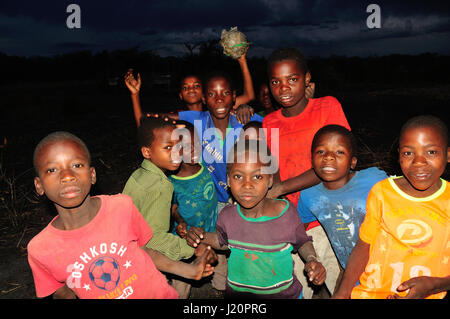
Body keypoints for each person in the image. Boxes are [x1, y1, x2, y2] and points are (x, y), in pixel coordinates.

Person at [27, 131, 214, 299]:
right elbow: (62, 293)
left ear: (92, 175)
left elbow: (144, 250)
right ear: (39, 185)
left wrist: (190, 271)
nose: (67, 176)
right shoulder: (41, 249)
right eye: (52, 169)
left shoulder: (121, 206)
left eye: (77, 164)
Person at [186, 139, 326, 298]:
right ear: (229, 180)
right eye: (238, 176)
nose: (247, 185)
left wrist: (311, 259)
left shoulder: (284, 213)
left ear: (270, 180)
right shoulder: (227, 215)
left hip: (283, 295)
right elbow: (224, 242)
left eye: (257, 177)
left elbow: (302, 241)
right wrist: (200, 236)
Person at [262, 47, 350, 298]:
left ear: (307, 79)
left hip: (331, 217)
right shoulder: (270, 122)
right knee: (299, 286)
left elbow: (332, 167)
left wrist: (281, 188)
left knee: (339, 284)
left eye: (292, 79)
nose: (284, 88)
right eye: (276, 81)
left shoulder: (327, 107)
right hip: (295, 221)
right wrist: (281, 207)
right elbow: (274, 170)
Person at [333, 115, 450, 299]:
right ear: (398, 155)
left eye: (431, 152)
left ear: (448, 155)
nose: (419, 162)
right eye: (408, 153)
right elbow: (364, 245)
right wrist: (342, 292)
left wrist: (435, 285)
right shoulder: (382, 192)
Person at [122, 117, 216, 298]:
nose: (177, 153)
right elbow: (152, 239)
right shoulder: (161, 186)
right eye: (168, 147)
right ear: (147, 152)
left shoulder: (139, 176)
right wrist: (193, 249)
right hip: (144, 259)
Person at [297, 125, 388, 290]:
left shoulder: (374, 180)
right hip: (354, 277)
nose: (329, 157)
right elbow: (298, 233)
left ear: (353, 162)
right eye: (321, 152)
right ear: (311, 159)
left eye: (339, 152)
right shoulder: (308, 195)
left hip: (390, 268)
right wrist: (312, 261)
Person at [124, 53, 256, 127]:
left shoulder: (217, 107)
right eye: (185, 87)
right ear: (180, 95)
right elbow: (143, 124)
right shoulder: (179, 117)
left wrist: (242, 61)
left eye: (196, 86)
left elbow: (249, 95)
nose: (191, 89)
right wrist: (134, 95)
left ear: (205, 94)